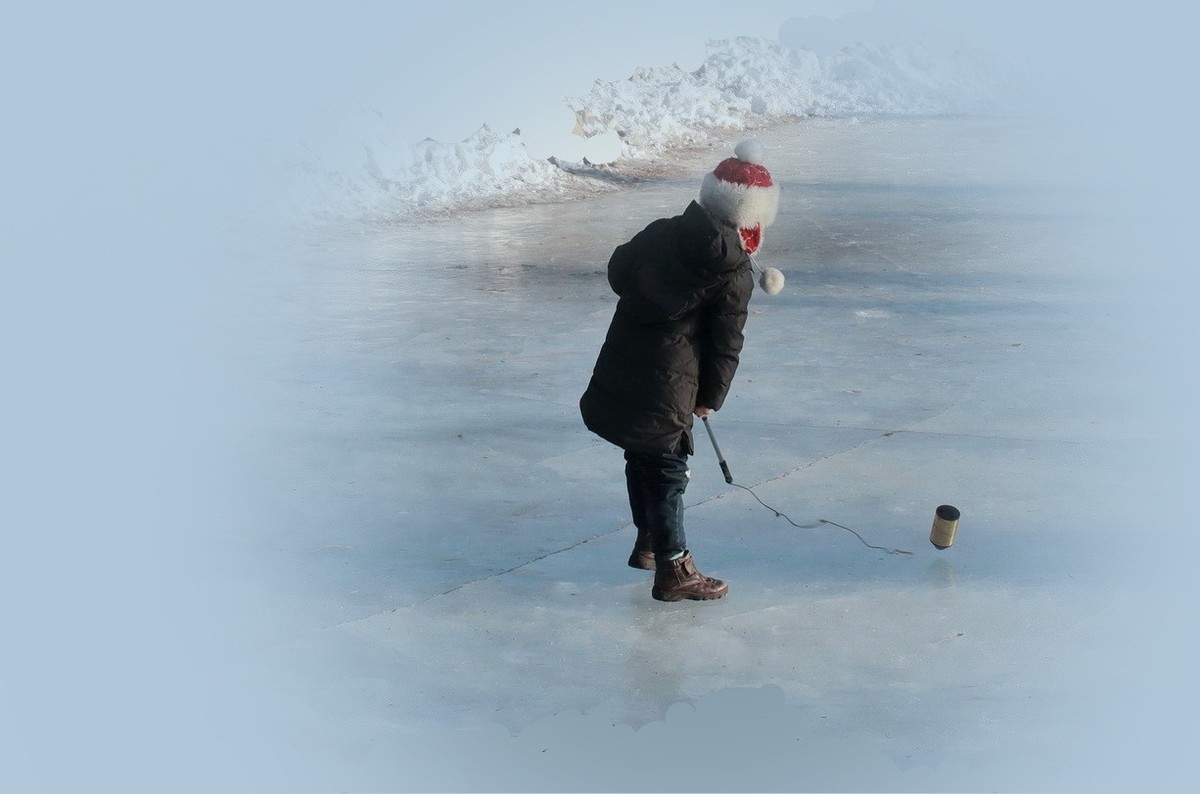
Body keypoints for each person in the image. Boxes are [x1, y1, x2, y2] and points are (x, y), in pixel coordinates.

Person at [580, 139, 781, 602]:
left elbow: (618, 271)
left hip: (626, 358)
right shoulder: (733, 271)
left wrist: (649, 304)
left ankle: (650, 540)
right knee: (669, 466)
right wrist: (711, 395)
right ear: (752, 220)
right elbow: (726, 342)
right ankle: (674, 568)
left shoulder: (664, 230)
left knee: (642, 453)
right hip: (671, 381)